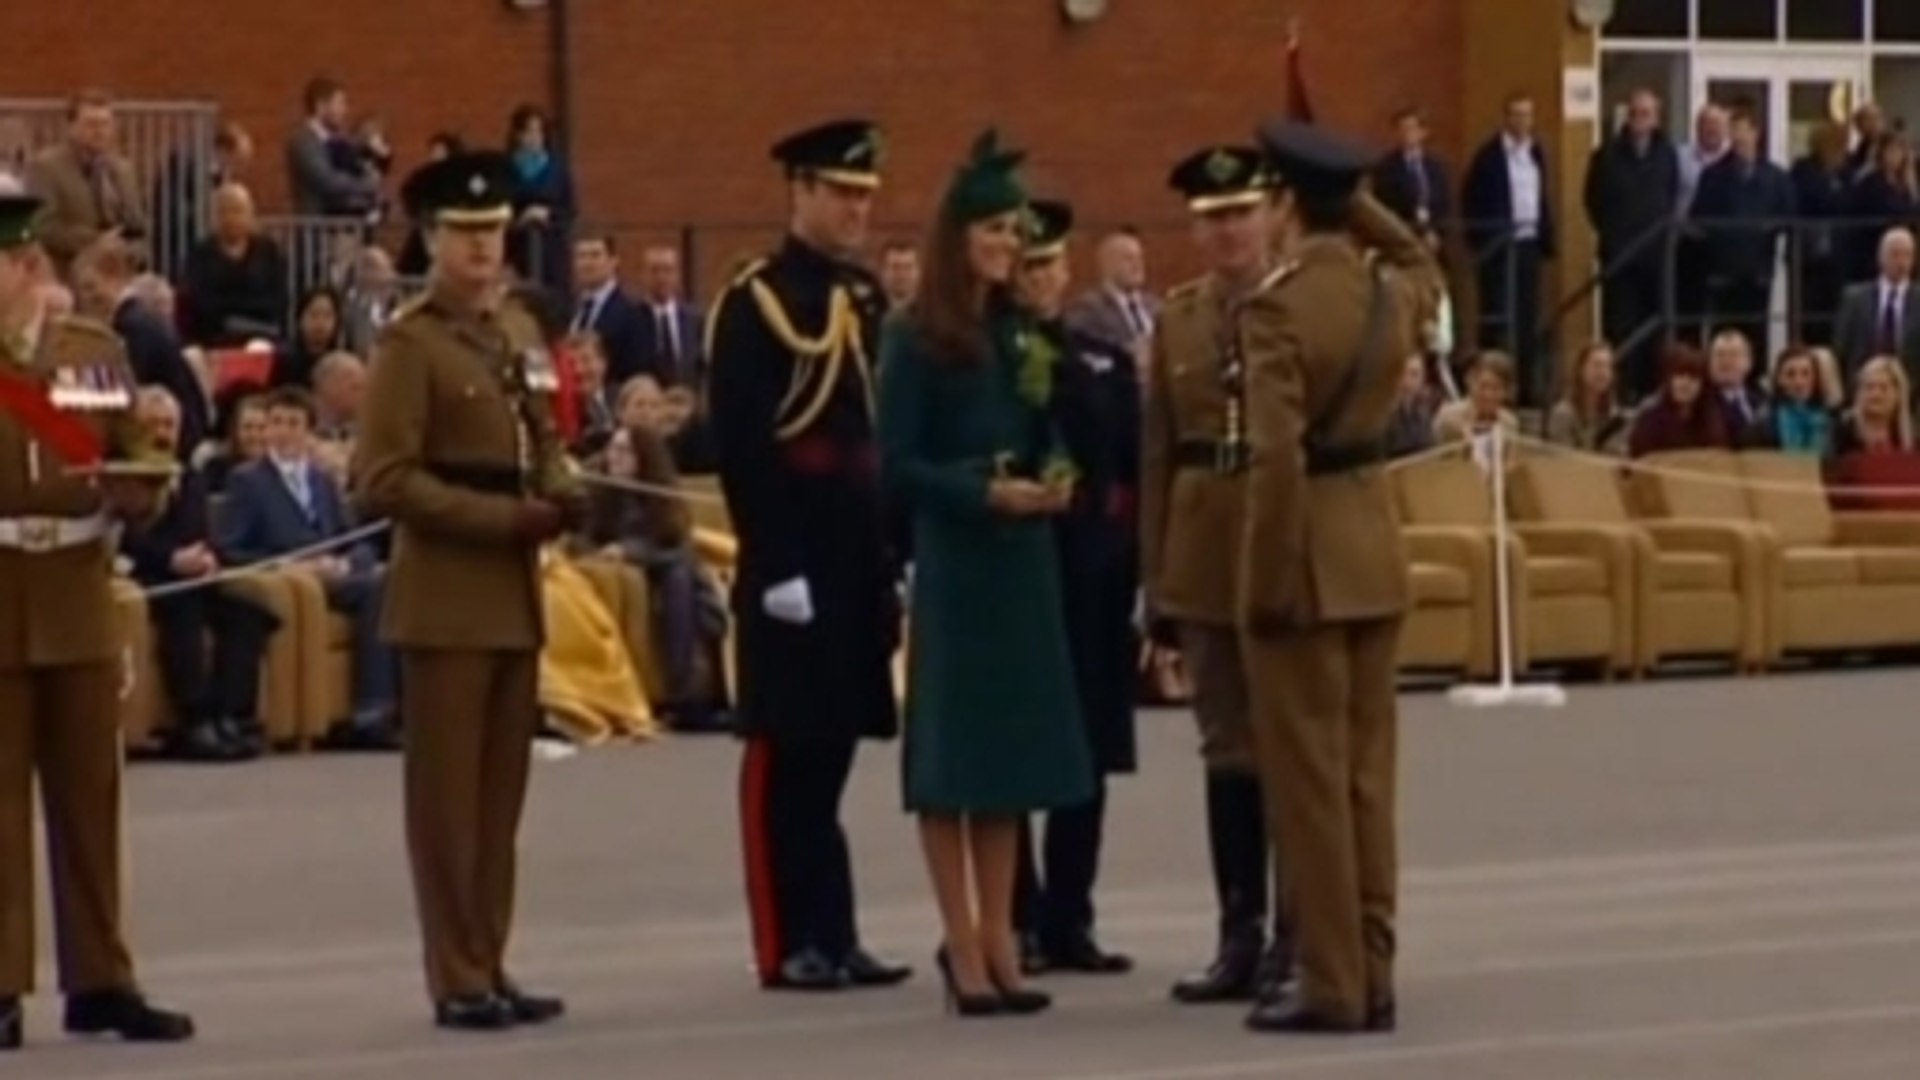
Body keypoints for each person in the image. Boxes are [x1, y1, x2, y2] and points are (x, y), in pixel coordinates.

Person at [351, 151, 577, 1031]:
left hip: (514, 594)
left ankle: (491, 953)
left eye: (493, 232)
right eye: (464, 234)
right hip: (446, 592)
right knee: (447, 806)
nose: (482, 249)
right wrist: (500, 520)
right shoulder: (412, 343)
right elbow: (384, 478)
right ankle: (456, 973)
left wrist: (564, 489)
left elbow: (542, 436)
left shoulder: (515, 332)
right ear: (433, 240)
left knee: (497, 802)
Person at [878, 130, 1093, 1018]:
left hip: (1023, 563)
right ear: (957, 235)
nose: (1012, 245)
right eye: (997, 230)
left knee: (1006, 761)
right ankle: (960, 941)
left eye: (1017, 231)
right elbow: (896, 463)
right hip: (963, 562)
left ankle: (1004, 935)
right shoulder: (916, 336)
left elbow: (1050, 431)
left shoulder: (1022, 331)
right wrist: (980, 494)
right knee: (953, 762)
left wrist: (1056, 475)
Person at [1236, 120, 1441, 1034]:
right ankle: (1376, 964)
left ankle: (1331, 980)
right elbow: (1424, 258)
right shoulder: (1386, 295)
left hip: (1308, 558)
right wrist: (1354, 198)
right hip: (1373, 545)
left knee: (1310, 786)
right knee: (1368, 779)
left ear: (1283, 203)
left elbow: (1275, 459)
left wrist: (1264, 581)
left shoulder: (1276, 310)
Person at [707, 118, 910, 993]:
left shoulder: (863, 301)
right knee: (785, 754)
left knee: (833, 749)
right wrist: (776, 559)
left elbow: (877, 438)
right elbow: (747, 442)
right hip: (791, 549)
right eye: (840, 194)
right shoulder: (754, 301)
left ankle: (837, 928)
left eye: (866, 196)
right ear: (799, 193)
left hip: (852, 548)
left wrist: (891, 552)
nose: (856, 210)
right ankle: (787, 938)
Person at [0, 192, 194, 1049]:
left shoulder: (94, 352)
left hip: (77, 590)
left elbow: (134, 454)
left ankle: (102, 977)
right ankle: (1, 983)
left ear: (26, 265)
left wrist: (146, 484)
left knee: (90, 800)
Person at [1140, 144, 1291, 1007]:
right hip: (1202, 541)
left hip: (1276, 541)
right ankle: (1239, 930)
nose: (1228, 231)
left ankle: (1300, 935)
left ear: (1270, 215)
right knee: (1226, 747)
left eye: (1240, 213)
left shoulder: (1298, 305)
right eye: (1212, 219)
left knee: (1290, 749)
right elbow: (1157, 449)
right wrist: (1156, 582)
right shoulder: (1180, 318)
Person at [1010, 198, 1139, 976]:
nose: (1041, 280)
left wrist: (1137, 571)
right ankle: (1015, 913)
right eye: (1028, 267)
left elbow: (1130, 468)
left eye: (1050, 265)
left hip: (1093, 575)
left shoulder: (1100, 356)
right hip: (1025, 572)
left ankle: (1071, 915)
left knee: (1086, 752)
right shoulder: (988, 359)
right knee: (1021, 749)